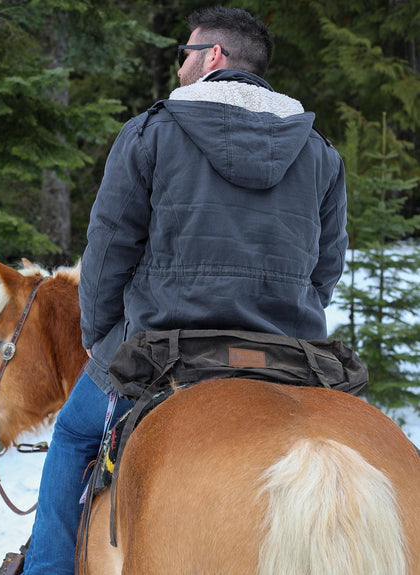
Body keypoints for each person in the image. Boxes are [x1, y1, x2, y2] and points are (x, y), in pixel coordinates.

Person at [23, 5, 348, 574]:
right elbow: (327, 266)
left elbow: (107, 251)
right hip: (288, 352)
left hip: (164, 346)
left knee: (73, 437)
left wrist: (102, 340)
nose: (178, 70)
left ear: (213, 57)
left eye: (184, 55)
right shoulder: (319, 151)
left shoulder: (151, 131)